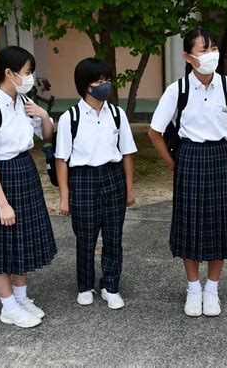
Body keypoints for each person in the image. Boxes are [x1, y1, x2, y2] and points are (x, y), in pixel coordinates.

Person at [148, 28, 227, 317]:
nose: (210, 55)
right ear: (188, 56)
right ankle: (193, 288)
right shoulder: (176, 90)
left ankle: (212, 288)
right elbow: (155, 132)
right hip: (189, 157)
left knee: (219, 223)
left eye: (213, 48)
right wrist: (172, 162)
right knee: (189, 223)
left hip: (221, 156)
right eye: (203, 50)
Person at [0, 46, 57, 328]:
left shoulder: (23, 102)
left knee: (23, 239)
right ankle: (8, 306)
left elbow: (45, 138)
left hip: (24, 171)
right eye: (27, 72)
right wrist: (2, 203)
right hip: (2, 176)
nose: (30, 77)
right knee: (1, 242)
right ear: (8, 73)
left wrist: (44, 116)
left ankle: (21, 298)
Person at [55, 58, 137, 310]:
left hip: (113, 177)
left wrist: (129, 188)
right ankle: (84, 285)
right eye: (98, 81)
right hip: (83, 180)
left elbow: (127, 153)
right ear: (85, 85)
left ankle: (110, 286)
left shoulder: (117, 114)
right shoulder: (71, 117)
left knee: (114, 236)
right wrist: (65, 196)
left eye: (107, 80)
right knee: (86, 238)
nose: (105, 85)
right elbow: (61, 160)